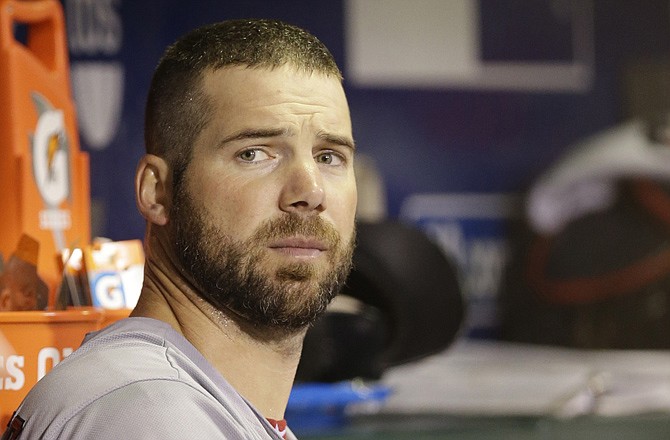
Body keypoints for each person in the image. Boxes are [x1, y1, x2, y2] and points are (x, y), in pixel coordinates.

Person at [3, 18, 357, 439]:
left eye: (329, 156)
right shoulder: (146, 413)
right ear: (157, 192)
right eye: (255, 153)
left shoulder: (186, 403)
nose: (310, 191)